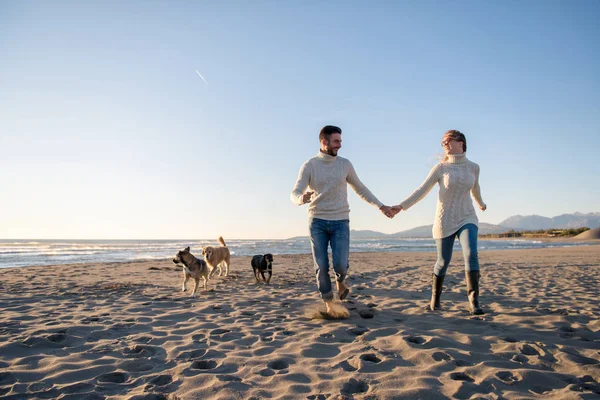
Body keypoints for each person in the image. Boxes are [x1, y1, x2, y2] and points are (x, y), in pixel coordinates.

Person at [291, 125, 395, 318]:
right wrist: (301, 199)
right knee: (321, 265)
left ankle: (341, 281)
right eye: (336, 141)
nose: (340, 144)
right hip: (317, 221)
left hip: (340, 220)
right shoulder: (310, 165)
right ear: (324, 142)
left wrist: (381, 206)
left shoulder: (345, 164)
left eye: (340, 140)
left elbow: (360, 188)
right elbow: (295, 192)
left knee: (340, 264)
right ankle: (329, 302)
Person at [391, 130, 487, 315]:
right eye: (442, 142)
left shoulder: (474, 167)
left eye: (447, 141)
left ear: (461, 142)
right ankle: (435, 297)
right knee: (443, 262)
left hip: (468, 216)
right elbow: (422, 190)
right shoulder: (441, 168)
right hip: (444, 220)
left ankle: (473, 301)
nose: (444, 144)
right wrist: (401, 206)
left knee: (471, 254)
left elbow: (475, 188)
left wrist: (481, 204)